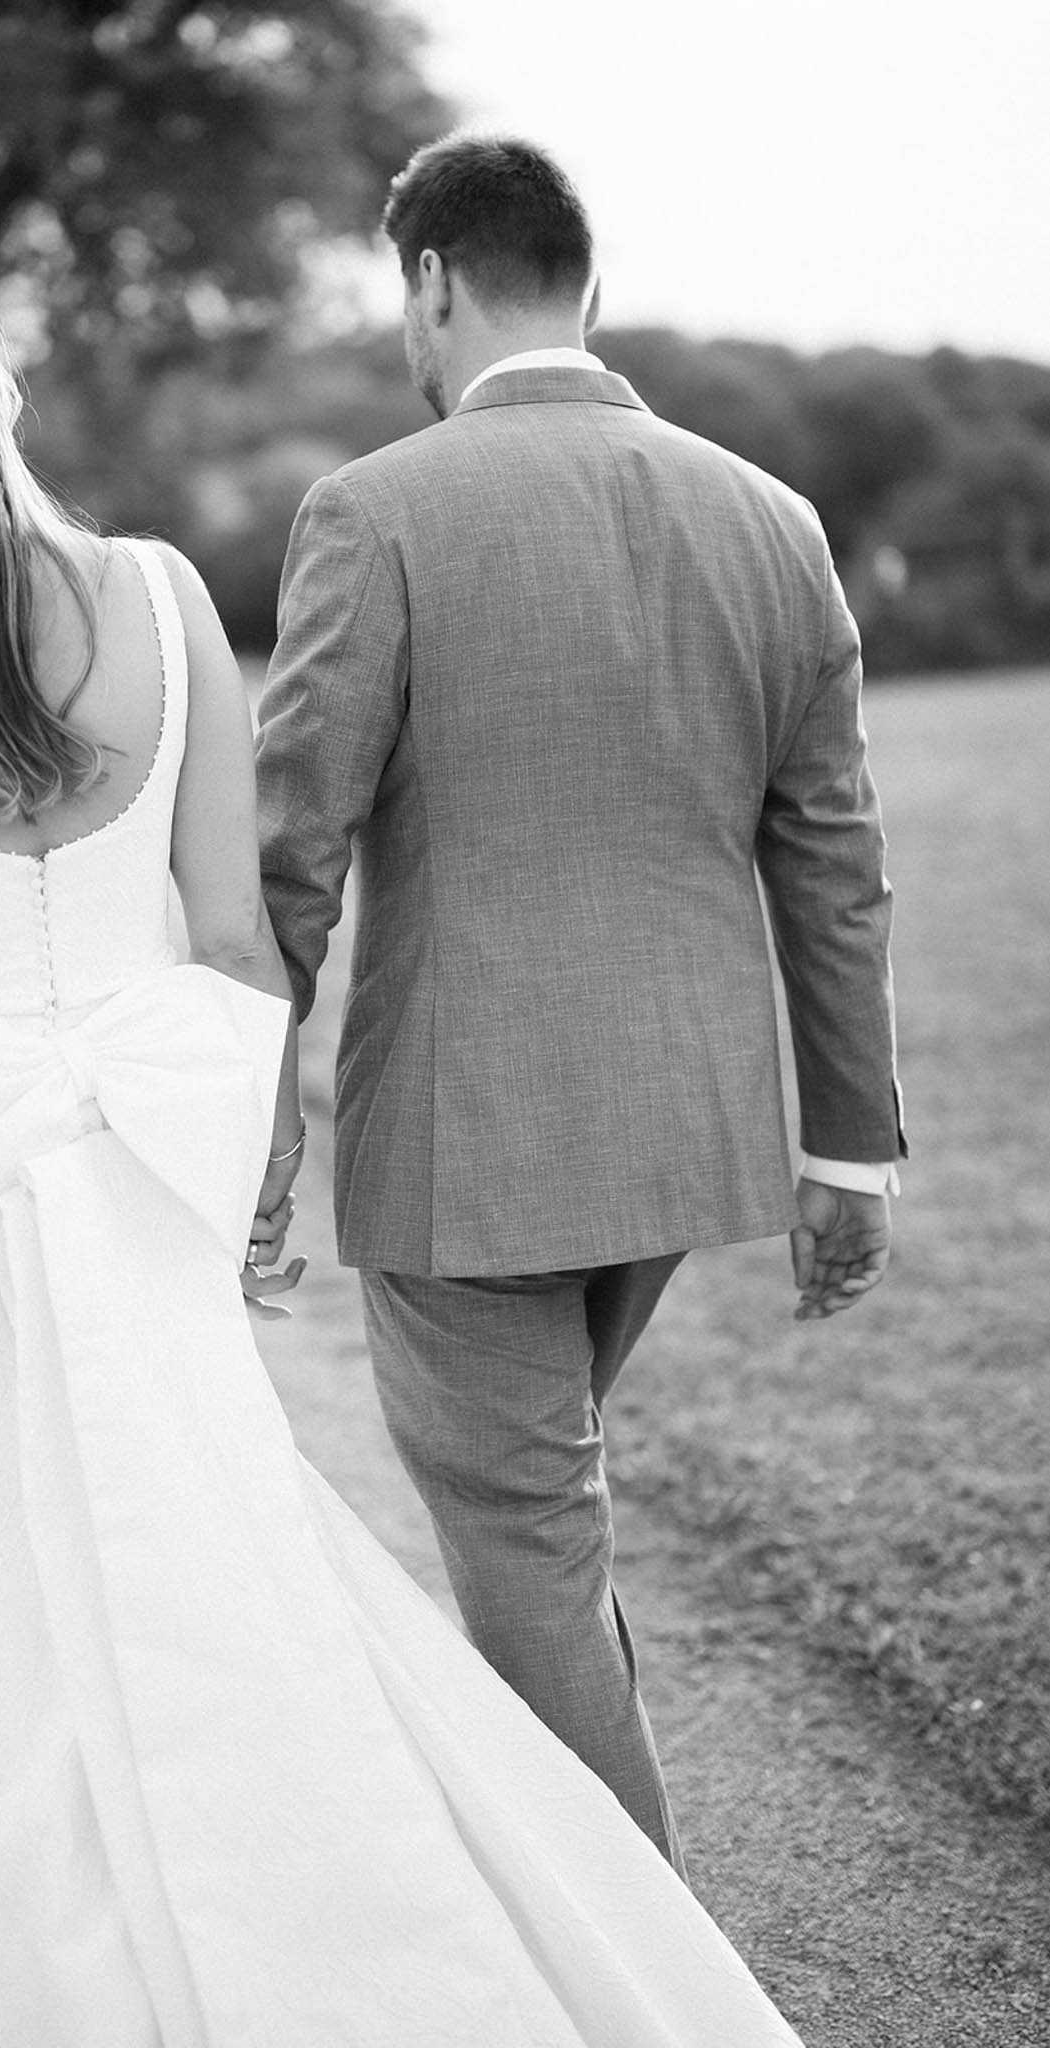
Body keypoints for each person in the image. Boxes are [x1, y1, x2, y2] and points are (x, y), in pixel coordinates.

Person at [0, 247, 807, 2047]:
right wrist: (243, 1188)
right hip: (138, 1170)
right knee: (200, 1568)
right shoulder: (150, 597)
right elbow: (232, 938)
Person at [255, 134, 905, 1875]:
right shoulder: (771, 521)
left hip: (469, 1147)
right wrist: (850, 1150)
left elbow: (289, 851)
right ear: (581, 281)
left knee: (529, 1546)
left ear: (435, 283)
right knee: (548, 1518)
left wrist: (253, 1101)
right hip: (682, 1133)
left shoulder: (372, 510)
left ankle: (647, 1969)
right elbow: (830, 856)